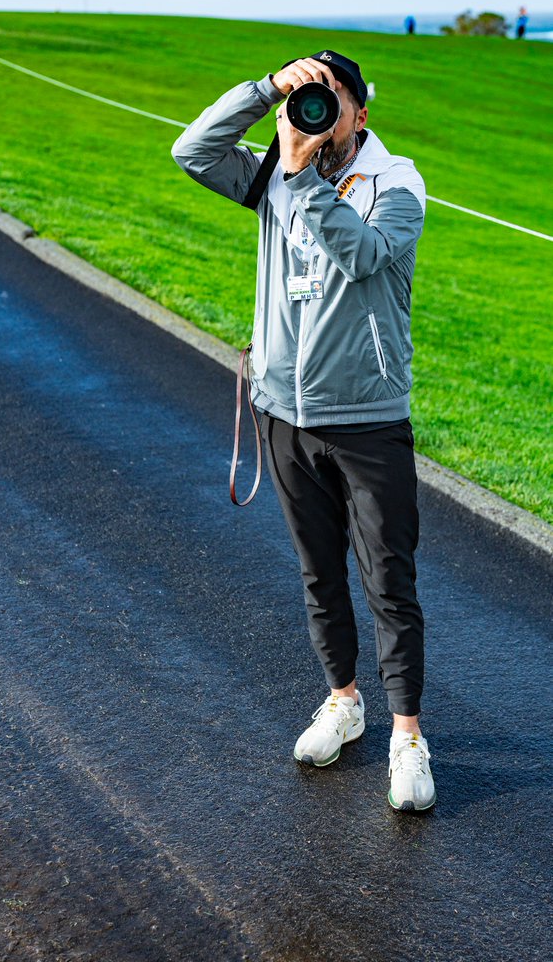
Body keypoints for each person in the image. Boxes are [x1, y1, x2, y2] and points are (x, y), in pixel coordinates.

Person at [172, 50, 436, 813]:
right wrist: (264, 92)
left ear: (360, 112)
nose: (317, 111)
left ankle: (408, 738)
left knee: (389, 583)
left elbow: (358, 257)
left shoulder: (396, 186)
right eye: (306, 97)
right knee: (319, 573)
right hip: (283, 410)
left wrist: (296, 178)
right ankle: (344, 702)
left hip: (366, 419)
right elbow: (191, 151)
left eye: (332, 99)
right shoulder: (273, 167)